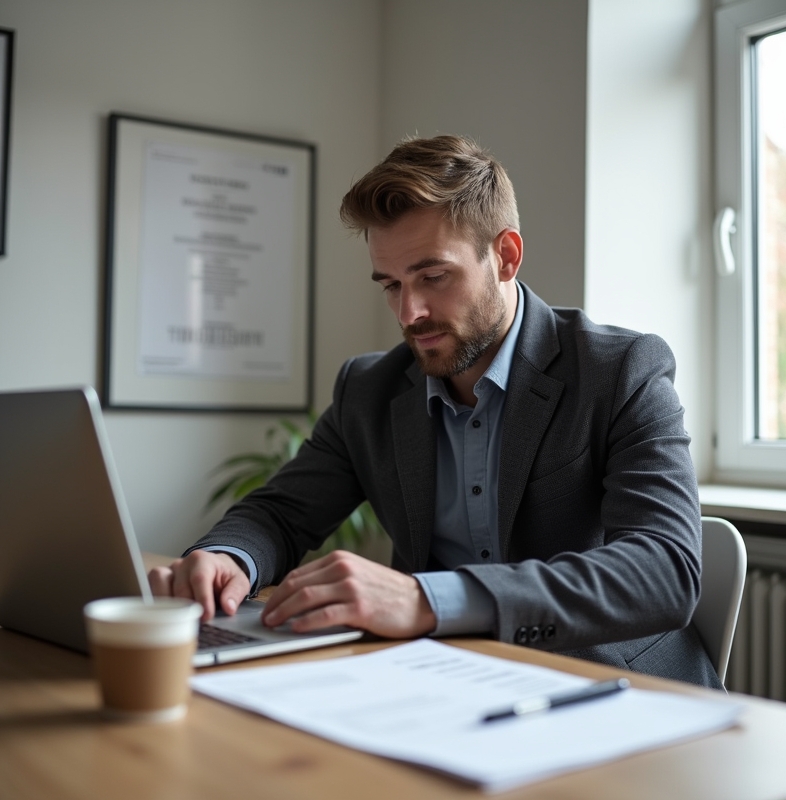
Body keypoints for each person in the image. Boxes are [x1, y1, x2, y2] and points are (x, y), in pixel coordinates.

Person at [149, 135, 721, 688]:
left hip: (614, 687)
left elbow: (664, 571)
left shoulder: (619, 371)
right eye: (391, 285)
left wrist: (427, 599)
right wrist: (228, 558)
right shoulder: (368, 390)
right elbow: (282, 513)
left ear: (506, 256)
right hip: (443, 686)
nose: (409, 313)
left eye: (433, 276)